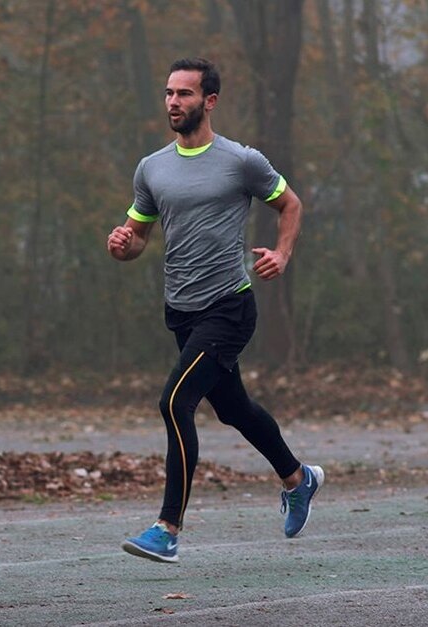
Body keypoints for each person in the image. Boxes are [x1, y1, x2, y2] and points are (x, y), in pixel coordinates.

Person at [106, 58, 322, 563]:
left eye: (184, 93)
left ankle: (167, 528)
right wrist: (122, 245)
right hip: (180, 310)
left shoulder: (241, 161)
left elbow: (290, 204)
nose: (173, 102)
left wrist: (282, 254)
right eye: (168, 93)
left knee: (174, 403)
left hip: (229, 306)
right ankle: (299, 478)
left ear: (210, 100)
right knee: (233, 409)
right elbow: (136, 235)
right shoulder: (151, 168)